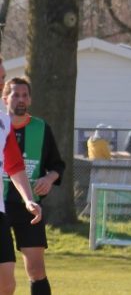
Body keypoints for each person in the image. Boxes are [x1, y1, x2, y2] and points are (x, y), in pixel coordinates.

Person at [1, 78, 63, 295]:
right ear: (5, 97)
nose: (21, 99)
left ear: (31, 99)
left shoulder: (41, 128)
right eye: (15, 95)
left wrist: (49, 179)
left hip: (29, 207)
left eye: (25, 95)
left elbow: (57, 165)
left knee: (36, 268)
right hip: (2, 205)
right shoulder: (1, 125)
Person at [0, 58, 44, 295]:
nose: (2, 83)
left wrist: (28, 199)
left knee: (7, 284)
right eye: (0, 78)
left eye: (3, 77)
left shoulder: (4, 122)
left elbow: (15, 166)